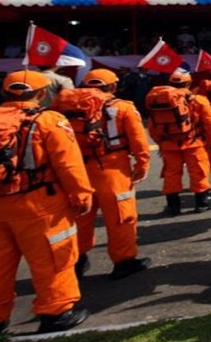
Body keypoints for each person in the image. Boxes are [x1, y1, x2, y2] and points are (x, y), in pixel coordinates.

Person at [0, 70, 93, 336]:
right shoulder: (48, 120)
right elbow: (68, 164)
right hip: (39, 205)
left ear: (4, 92)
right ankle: (56, 313)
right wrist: (81, 196)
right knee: (53, 260)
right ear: (43, 93)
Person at [57, 69, 152, 280]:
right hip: (113, 168)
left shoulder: (64, 108)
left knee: (80, 217)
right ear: (113, 86)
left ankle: (76, 261)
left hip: (77, 169)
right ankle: (124, 261)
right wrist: (142, 164)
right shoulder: (122, 107)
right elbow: (138, 140)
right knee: (121, 217)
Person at [146, 72, 211, 215]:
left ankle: (173, 206)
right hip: (194, 143)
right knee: (199, 171)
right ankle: (202, 202)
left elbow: (152, 127)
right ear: (188, 83)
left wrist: (161, 143)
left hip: (169, 144)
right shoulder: (198, 100)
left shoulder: (159, 101)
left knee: (171, 174)